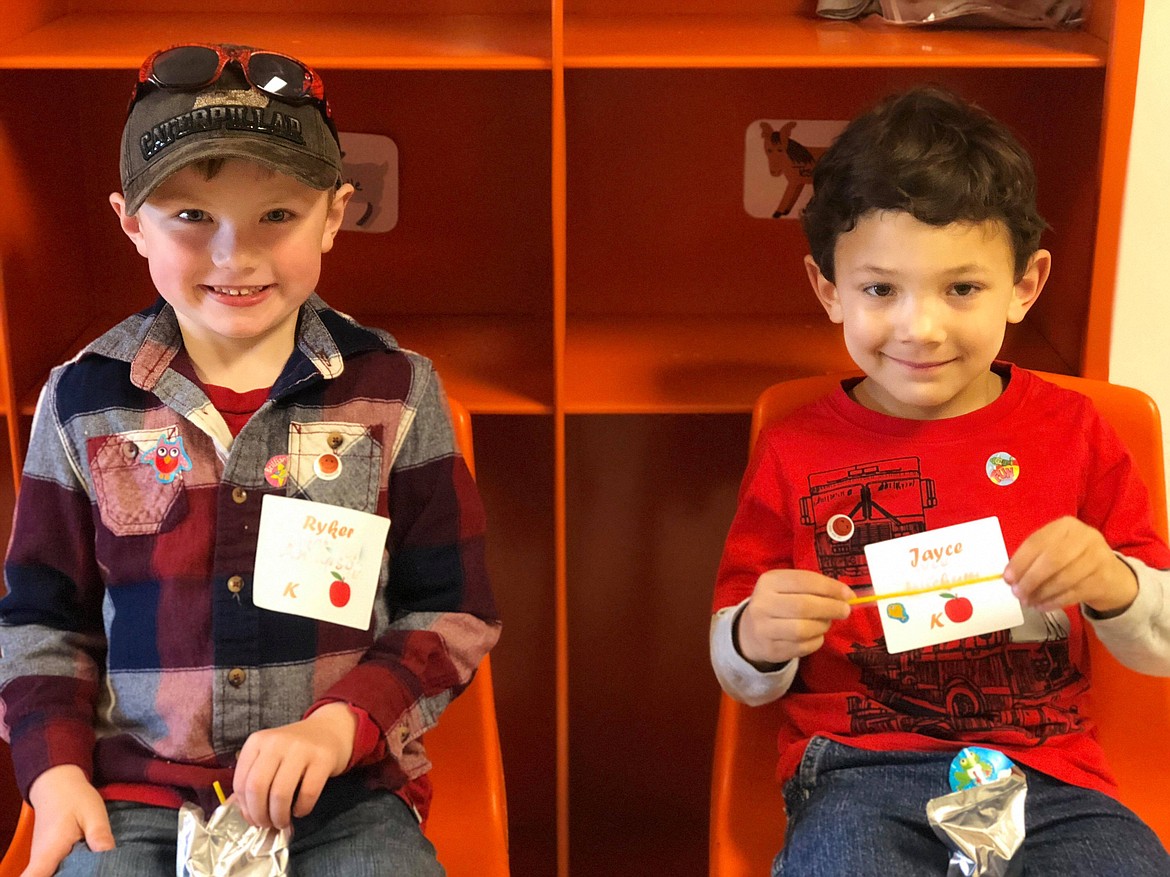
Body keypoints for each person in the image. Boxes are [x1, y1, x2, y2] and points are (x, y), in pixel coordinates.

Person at [0, 42, 500, 876]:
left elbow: (453, 611)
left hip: (343, 796)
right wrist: (54, 773)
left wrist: (341, 724)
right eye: (192, 217)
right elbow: (41, 621)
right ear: (131, 221)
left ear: (334, 215)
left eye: (278, 215)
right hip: (139, 797)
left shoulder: (397, 391)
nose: (236, 255)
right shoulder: (81, 400)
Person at [710, 85, 1170, 875]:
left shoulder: (1077, 432)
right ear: (829, 290)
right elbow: (740, 662)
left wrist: (1116, 583)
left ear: (1026, 285)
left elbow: (1161, 641)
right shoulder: (795, 449)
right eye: (881, 289)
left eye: (962, 288)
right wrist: (755, 635)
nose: (920, 328)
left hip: (1053, 777)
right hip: (860, 773)